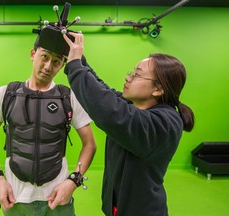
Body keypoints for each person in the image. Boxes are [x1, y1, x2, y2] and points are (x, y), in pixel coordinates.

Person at [63, 32, 195, 216]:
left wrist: (75, 66)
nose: (128, 78)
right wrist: (74, 55)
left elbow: (108, 110)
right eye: (130, 73)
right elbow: (103, 90)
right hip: (118, 207)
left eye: (136, 75)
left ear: (158, 89)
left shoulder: (166, 123)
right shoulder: (134, 107)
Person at [0, 31, 96, 216]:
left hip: (58, 197)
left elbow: (90, 144)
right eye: (44, 57)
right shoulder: (5, 94)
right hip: (16, 197)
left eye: (56, 61)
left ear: (62, 65)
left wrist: (73, 181)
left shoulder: (69, 97)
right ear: (33, 54)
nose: (48, 66)